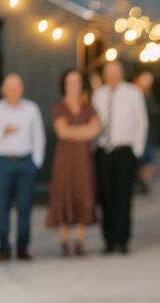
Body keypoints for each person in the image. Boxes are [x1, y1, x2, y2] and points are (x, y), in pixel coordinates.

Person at [92, 61, 148, 254]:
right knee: (105, 196)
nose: (112, 76)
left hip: (125, 150)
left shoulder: (133, 92)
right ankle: (108, 240)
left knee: (123, 196)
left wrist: (137, 151)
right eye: (108, 72)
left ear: (122, 72)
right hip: (103, 150)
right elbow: (94, 122)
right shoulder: (98, 94)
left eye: (115, 72)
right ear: (104, 75)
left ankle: (123, 240)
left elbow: (142, 122)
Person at [46, 69, 102, 256]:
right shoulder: (59, 107)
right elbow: (62, 132)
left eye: (77, 82)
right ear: (64, 85)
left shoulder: (88, 107)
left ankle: (79, 241)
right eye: (70, 82)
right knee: (64, 192)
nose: (73, 86)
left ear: (81, 84)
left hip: (83, 159)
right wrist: (83, 130)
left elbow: (96, 129)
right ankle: (64, 241)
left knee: (83, 192)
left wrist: (74, 130)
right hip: (65, 159)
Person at [0, 74, 45, 261]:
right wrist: (2, 133)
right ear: (4, 90)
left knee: (25, 207)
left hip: (25, 163)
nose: (13, 90)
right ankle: (4, 248)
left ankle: (23, 247)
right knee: (2, 207)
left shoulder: (31, 109)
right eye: (10, 87)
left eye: (17, 87)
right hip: (3, 162)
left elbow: (39, 137)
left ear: (21, 89)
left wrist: (35, 163)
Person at [134, 71, 156, 195]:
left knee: (146, 159)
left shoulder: (147, 95)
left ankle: (144, 182)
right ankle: (142, 182)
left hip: (147, 132)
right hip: (142, 131)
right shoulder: (139, 94)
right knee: (143, 159)